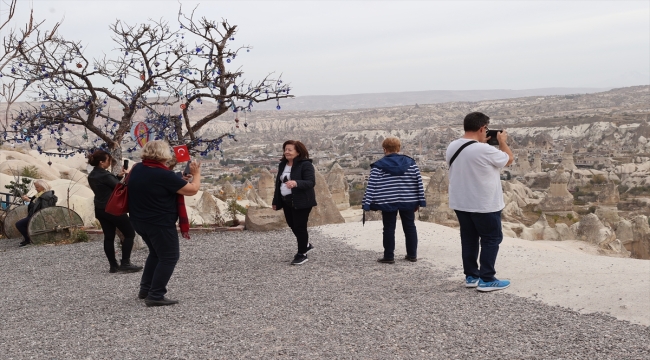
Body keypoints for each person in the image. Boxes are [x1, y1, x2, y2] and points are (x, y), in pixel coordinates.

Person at [446, 112, 514, 292]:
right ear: (483, 128)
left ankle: (471, 276)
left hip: (461, 202)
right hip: (484, 204)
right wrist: (502, 142)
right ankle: (487, 278)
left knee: (469, 238)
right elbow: (509, 159)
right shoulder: (485, 149)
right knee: (491, 238)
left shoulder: (452, 146)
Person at [128, 140, 201, 307]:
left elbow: (156, 185)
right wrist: (196, 174)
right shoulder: (163, 175)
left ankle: (146, 289)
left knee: (155, 253)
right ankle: (156, 294)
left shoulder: (138, 168)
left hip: (139, 220)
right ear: (163, 154)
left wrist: (179, 179)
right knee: (169, 257)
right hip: (159, 223)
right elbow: (193, 189)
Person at [362, 137, 426, 264]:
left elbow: (371, 185)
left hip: (388, 201)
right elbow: (419, 183)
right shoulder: (411, 163)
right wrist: (420, 200)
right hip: (408, 200)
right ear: (399, 148)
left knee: (389, 228)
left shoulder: (378, 166)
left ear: (384, 149)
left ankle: (389, 256)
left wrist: (367, 203)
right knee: (410, 227)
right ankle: (412, 255)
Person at [87, 150, 143, 274]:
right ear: (102, 162)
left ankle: (113, 266)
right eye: (108, 160)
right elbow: (120, 188)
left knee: (109, 237)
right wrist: (128, 176)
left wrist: (118, 176)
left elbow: (108, 187)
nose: (110, 162)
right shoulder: (104, 175)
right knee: (129, 234)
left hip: (100, 209)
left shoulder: (92, 175)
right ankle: (125, 263)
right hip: (113, 209)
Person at [271, 140, 317, 265]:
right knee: (292, 225)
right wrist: (276, 201)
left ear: (298, 151)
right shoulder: (283, 165)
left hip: (302, 201)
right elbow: (278, 184)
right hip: (286, 200)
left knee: (300, 227)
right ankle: (305, 244)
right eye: (285, 149)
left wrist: (296, 183)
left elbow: (311, 182)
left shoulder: (305, 165)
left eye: (290, 150)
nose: (286, 152)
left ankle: (302, 253)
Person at [15, 179, 58, 247]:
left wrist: (31, 204)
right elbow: (37, 203)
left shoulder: (46, 197)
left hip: (37, 216)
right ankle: (29, 238)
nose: (36, 189)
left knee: (19, 224)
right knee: (23, 223)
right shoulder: (42, 195)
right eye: (35, 187)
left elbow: (43, 209)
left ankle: (28, 239)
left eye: (37, 187)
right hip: (34, 215)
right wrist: (28, 200)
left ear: (43, 187)